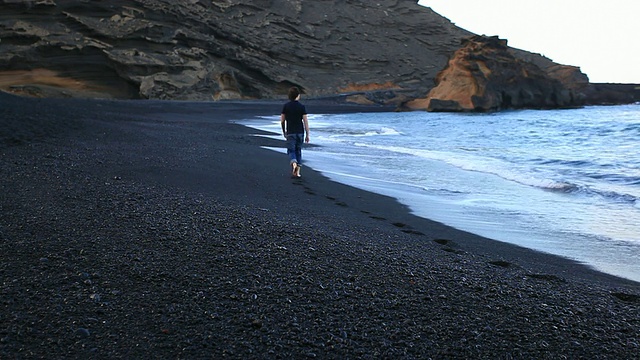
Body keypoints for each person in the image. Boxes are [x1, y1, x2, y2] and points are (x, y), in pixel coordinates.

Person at [280, 86, 310, 178]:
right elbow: (305, 121)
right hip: (300, 132)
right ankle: (298, 173)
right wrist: (307, 134)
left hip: (290, 132)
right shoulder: (302, 107)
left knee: (291, 150)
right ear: (298, 95)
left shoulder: (286, 106)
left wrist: (284, 131)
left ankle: (294, 163)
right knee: (298, 150)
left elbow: (282, 120)